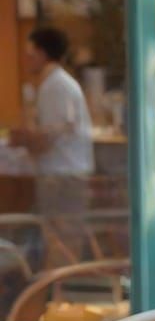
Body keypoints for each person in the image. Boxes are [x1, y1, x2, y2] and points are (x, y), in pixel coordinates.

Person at [9, 26, 94, 221]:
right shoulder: (53, 84)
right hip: (61, 174)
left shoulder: (56, 86)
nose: (26, 60)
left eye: (30, 55)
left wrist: (23, 139)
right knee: (58, 237)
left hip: (63, 176)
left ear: (41, 54)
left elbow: (50, 137)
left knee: (62, 239)